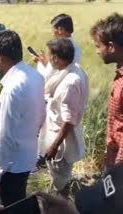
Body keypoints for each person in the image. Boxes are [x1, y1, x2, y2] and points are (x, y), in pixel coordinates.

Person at [0, 30, 45, 213]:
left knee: (12, 207)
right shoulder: (35, 76)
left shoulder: (13, 88)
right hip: (26, 157)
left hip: (11, 165)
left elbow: (6, 138)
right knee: (19, 202)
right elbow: (42, 115)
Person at [38, 38, 88, 198]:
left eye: (50, 55)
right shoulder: (73, 69)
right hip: (57, 134)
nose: (49, 59)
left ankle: (62, 204)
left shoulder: (69, 84)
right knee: (60, 178)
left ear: (56, 58)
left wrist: (54, 146)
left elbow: (69, 120)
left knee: (60, 182)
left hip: (61, 142)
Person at [33, 13, 82, 171]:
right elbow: (57, 68)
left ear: (61, 29)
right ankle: (43, 158)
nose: (52, 32)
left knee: (49, 126)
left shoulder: (64, 47)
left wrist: (42, 65)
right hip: (57, 92)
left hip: (55, 93)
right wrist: (46, 63)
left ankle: (43, 158)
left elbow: (52, 73)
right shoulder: (74, 47)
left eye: (54, 29)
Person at [90, 13, 123, 169]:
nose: (97, 51)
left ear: (111, 47)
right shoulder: (119, 75)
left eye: (98, 45)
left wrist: (118, 171)